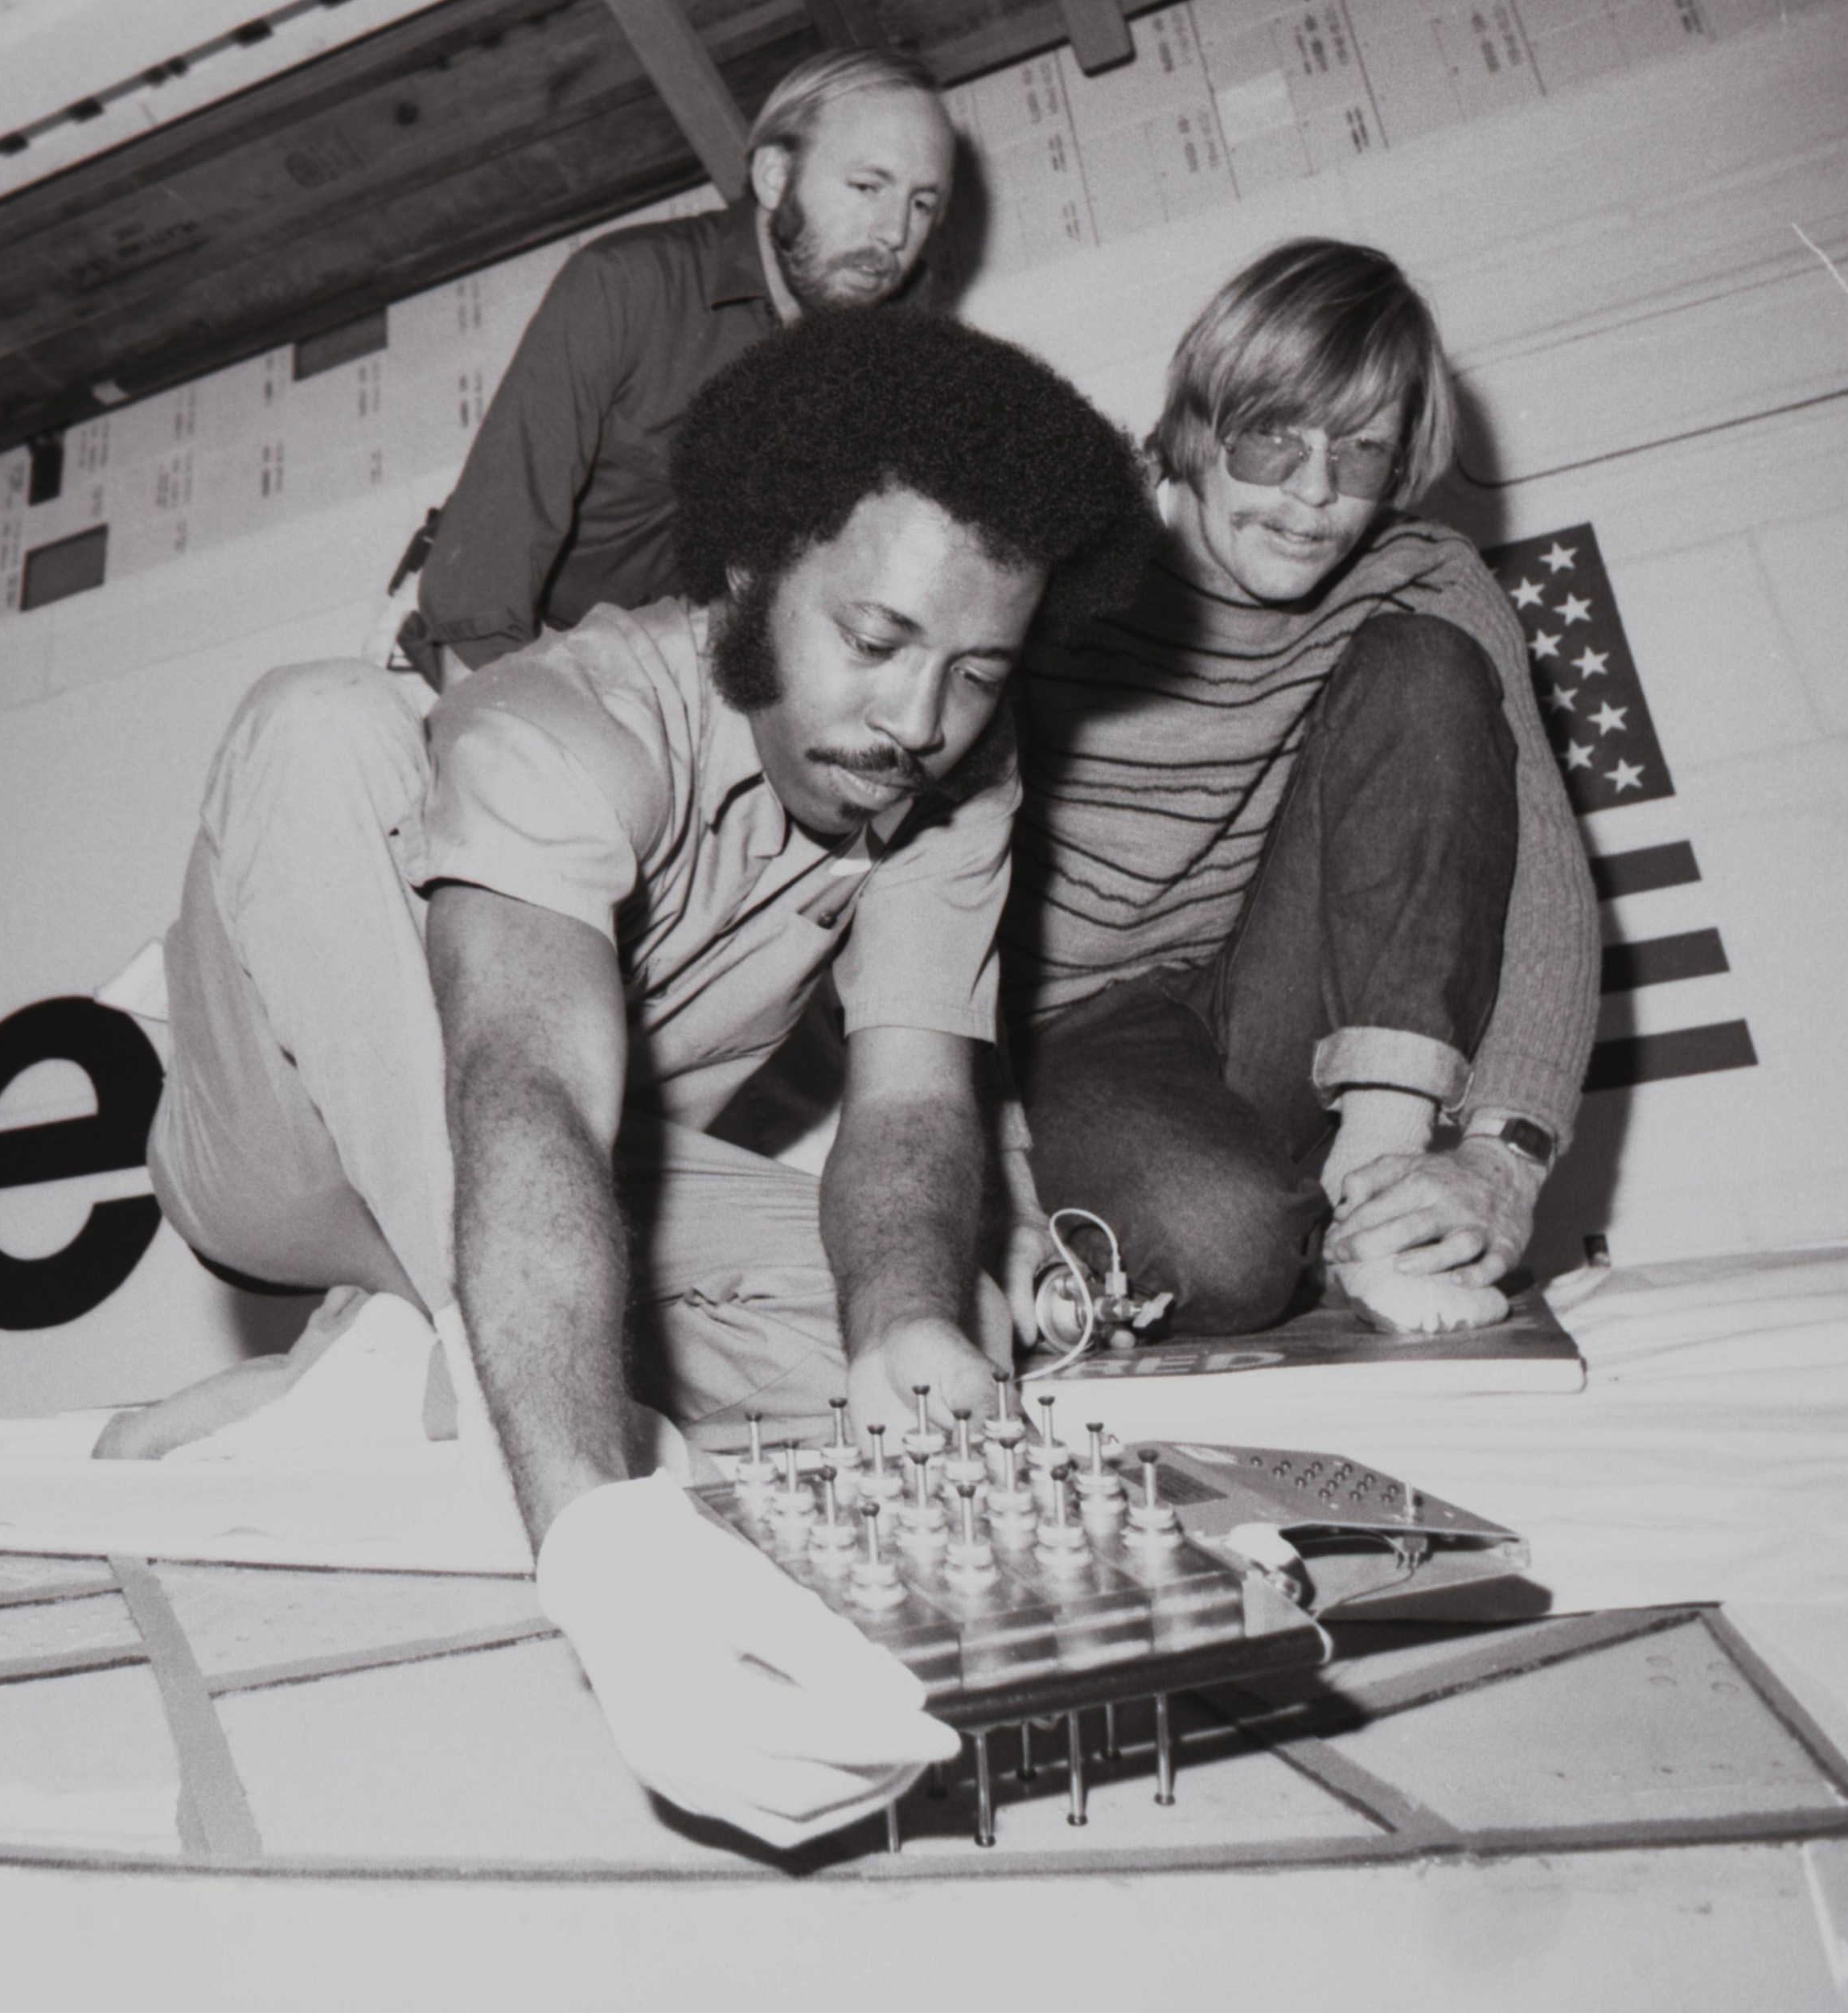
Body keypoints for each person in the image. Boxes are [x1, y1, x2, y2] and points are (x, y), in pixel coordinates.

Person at [111, 311, 1152, 1849]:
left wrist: (906, 1323)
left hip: (570, 1178)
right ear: (744, 582)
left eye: (973, 671)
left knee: (945, 1342)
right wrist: (598, 1543)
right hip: (300, 1132)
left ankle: (383, 1383)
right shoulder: (574, 723)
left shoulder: (956, 787)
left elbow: (914, 1102)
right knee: (318, 726)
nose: (918, 725)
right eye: (872, 644)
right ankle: (489, 1369)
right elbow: (525, 1086)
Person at [1002, 240, 1598, 1339]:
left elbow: (1545, 891)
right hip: (1070, 1027)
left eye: (1362, 451)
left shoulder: (1424, 575)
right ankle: (1222, 1231)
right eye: (1273, 439)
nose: (1313, 496)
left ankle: (1375, 1198)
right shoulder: (1059, 566)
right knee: (1227, 1256)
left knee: (1427, 667)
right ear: (1197, 426)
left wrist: (1500, 1162)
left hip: (1264, 986)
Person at [408, 47, 956, 681]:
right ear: (776, 177)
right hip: (493, 646)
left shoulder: (889, 365)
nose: (893, 232)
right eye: (867, 187)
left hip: (653, 672)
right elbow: (477, 596)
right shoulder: (625, 284)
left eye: (922, 205)